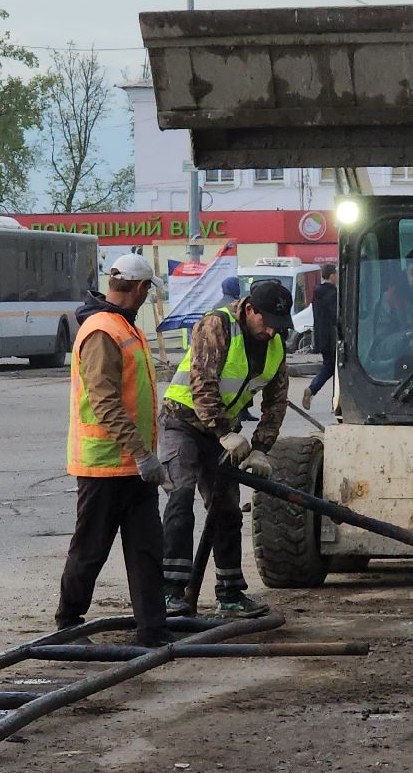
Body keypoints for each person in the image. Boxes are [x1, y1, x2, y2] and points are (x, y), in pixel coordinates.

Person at [161, 279, 293, 617]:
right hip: (183, 422)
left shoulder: (276, 345)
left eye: (280, 327)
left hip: (220, 433)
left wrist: (261, 447)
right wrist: (223, 431)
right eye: (268, 324)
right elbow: (202, 382)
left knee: (228, 510)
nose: (272, 333)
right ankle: (170, 592)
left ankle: (230, 594)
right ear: (250, 310)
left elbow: (276, 402)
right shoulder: (217, 324)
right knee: (181, 496)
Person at [56, 253, 170, 647]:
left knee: (146, 551)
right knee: (90, 549)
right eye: (147, 292)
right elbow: (104, 403)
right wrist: (141, 452)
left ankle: (153, 629)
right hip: (104, 465)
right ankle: (69, 623)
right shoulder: (103, 330)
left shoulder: (122, 327)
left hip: (133, 467)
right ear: (139, 289)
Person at [302, 262, 337, 409]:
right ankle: (337, 401)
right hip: (333, 338)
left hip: (321, 338)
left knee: (329, 366)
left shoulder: (317, 293)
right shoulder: (332, 293)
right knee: (337, 369)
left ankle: (313, 389)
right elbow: (336, 316)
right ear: (332, 275)